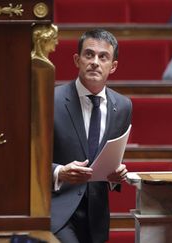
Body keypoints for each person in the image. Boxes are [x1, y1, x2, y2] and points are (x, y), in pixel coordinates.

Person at [51, 29, 132, 243]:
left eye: (103, 56)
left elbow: (113, 157)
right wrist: (59, 172)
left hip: (96, 217)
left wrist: (116, 176)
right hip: (57, 212)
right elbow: (27, 158)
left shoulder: (123, 106)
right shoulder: (50, 99)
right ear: (77, 60)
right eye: (89, 54)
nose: (95, 62)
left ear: (113, 66)